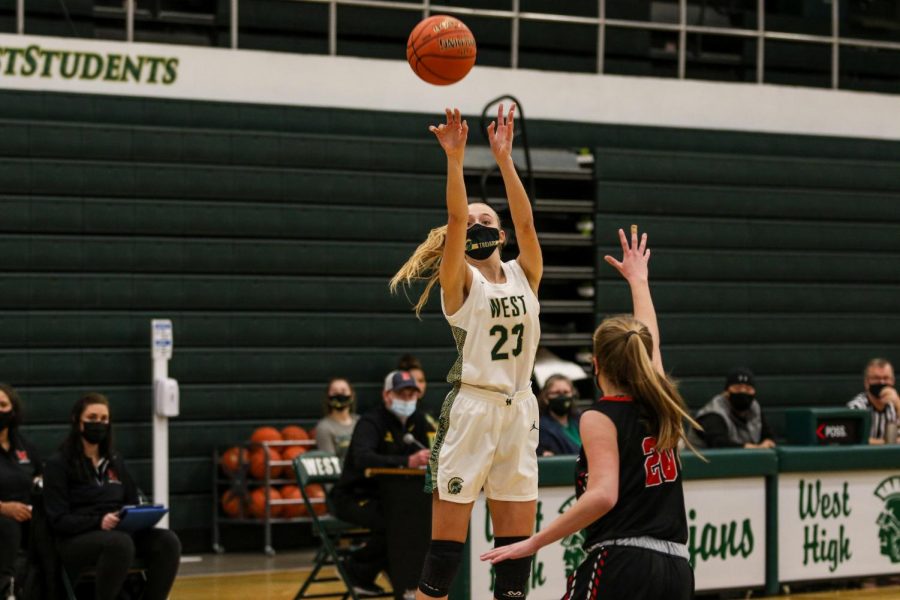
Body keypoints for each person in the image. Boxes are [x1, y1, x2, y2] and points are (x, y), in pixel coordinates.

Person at [481, 226, 698, 600]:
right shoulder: (663, 400)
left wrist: (534, 542)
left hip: (622, 561)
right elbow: (652, 341)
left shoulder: (600, 416)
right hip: (678, 568)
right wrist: (638, 281)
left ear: (595, 365)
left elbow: (602, 495)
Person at [391, 104, 543, 600]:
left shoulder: (526, 274)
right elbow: (457, 216)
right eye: (472, 219)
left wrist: (504, 159)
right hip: (472, 408)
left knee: (516, 567)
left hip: (520, 409)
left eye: (487, 219)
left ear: (499, 235)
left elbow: (525, 219)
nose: (477, 222)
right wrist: (455, 159)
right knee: (442, 563)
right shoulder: (459, 285)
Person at [43, 393, 181, 600]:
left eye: (103, 419)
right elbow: (58, 520)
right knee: (119, 543)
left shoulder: (115, 460)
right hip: (76, 539)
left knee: (168, 541)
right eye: (92, 418)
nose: (98, 424)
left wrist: (138, 516)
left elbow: (132, 500)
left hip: (119, 531)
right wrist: (99, 521)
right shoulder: (58, 463)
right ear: (77, 421)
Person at [331, 370, 433, 596]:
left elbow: (432, 451)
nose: (407, 400)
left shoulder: (419, 421)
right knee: (398, 522)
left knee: (416, 518)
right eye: (401, 394)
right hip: (355, 496)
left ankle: (392, 576)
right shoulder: (371, 422)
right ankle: (356, 567)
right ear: (387, 395)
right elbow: (362, 458)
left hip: (397, 496)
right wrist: (406, 461)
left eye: (411, 395)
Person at [0, 383, 41, 596]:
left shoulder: (24, 446)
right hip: (3, 517)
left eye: (2, 405)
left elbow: (41, 477)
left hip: (26, 515)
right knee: (8, 526)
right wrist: (3, 508)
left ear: (13, 410)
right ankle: (6, 590)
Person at [688, 367, 777, 449]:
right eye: (737, 388)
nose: (743, 392)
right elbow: (719, 444)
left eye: (748, 389)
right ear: (726, 392)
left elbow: (768, 434)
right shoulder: (713, 413)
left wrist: (768, 442)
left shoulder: (754, 407)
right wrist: (751, 448)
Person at [848, 358, 899, 444]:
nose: (882, 382)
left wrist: (898, 404)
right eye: (876, 378)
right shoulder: (857, 406)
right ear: (866, 383)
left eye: (886, 378)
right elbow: (855, 440)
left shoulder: (896, 404)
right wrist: (887, 443)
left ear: (893, 381)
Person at [314, 377, 360, 462]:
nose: (339, 395)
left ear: (352, 396)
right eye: (334, 392)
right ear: (328, 397)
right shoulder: (324, 427)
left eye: (343, 391)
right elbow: (329, 461)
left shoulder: (361, 422)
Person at [536, 374, 582, 456]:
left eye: (566, 392)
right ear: (546, 398)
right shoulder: (540, 429)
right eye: (557, 393)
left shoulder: (582, 420)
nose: (562, 396)